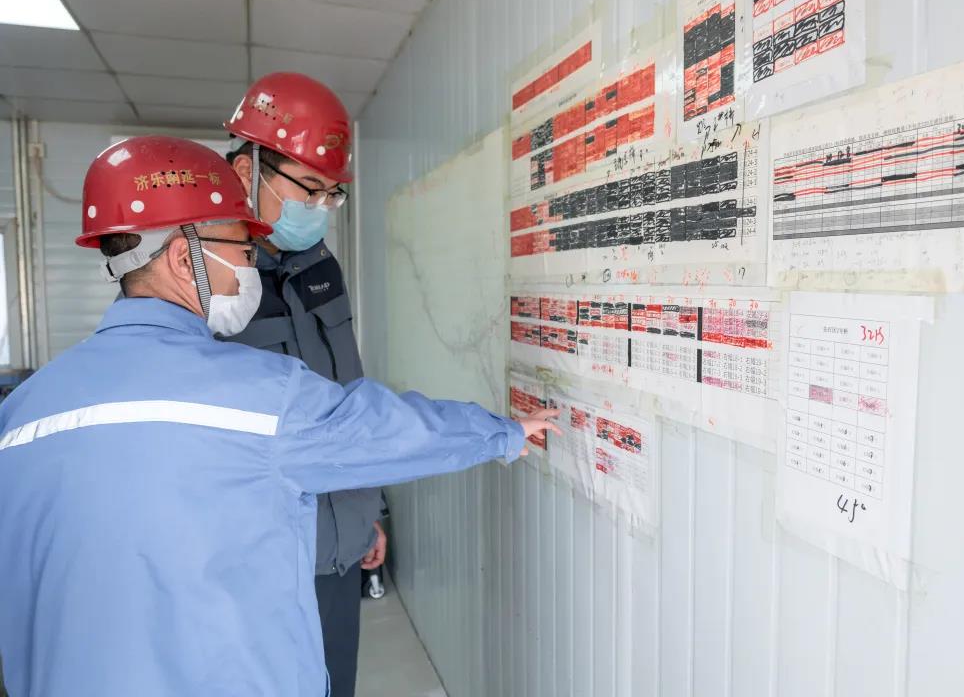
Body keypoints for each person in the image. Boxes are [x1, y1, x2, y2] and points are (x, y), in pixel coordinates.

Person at [0, 136, 558, 697]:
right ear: (182, 258)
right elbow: (382, 429)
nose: (249, 270)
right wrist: (504, 433)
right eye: (243, 251)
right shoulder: (261, 396)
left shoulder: (23, 411)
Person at [220, 73, 381, 697]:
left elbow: (349, 397)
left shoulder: (321, 266)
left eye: (331, 194)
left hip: (335, 551)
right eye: (309, 189)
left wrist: (367, 514)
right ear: (246, 171)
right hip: (252, 562)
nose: (319, 208)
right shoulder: (206, 280)